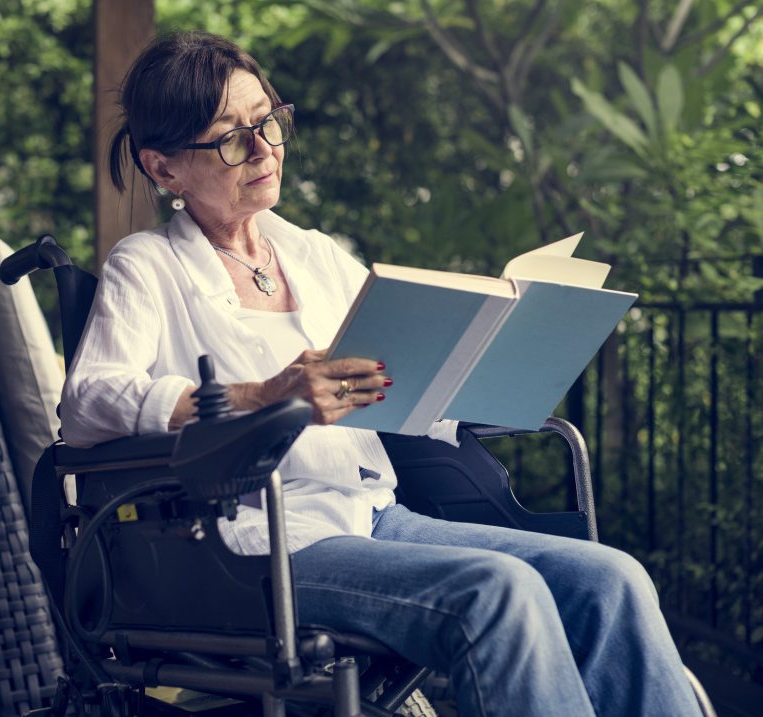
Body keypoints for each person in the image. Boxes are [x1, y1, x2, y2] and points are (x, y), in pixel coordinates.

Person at [61, 30, 701, 717]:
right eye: (228, 137)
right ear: (164, 169)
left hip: (373, 515)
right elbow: (88, 401)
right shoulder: (148, 265)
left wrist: (495, 368)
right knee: (499, 590)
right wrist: (261, 394)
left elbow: (400, 384)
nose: (263, 149)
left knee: (611, 579)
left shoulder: (312, 254)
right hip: (257, 544)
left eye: (268, 122)